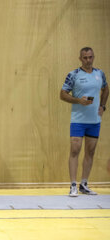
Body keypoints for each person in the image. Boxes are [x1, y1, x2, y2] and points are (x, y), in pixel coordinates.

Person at [60, 47, 109, 197]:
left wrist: (102, 106)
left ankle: (84, 184)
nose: (88, 60)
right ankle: (73, 185)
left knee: (91, 152)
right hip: (78, 120)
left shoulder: (99, 74)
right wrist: (78, 101)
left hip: (94, 120)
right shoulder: (73, 75)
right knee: (75, 150)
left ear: (94, 57)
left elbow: (106, 89)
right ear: (80, 59)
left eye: (90, 57)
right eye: (85, 58)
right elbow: (62, 94)